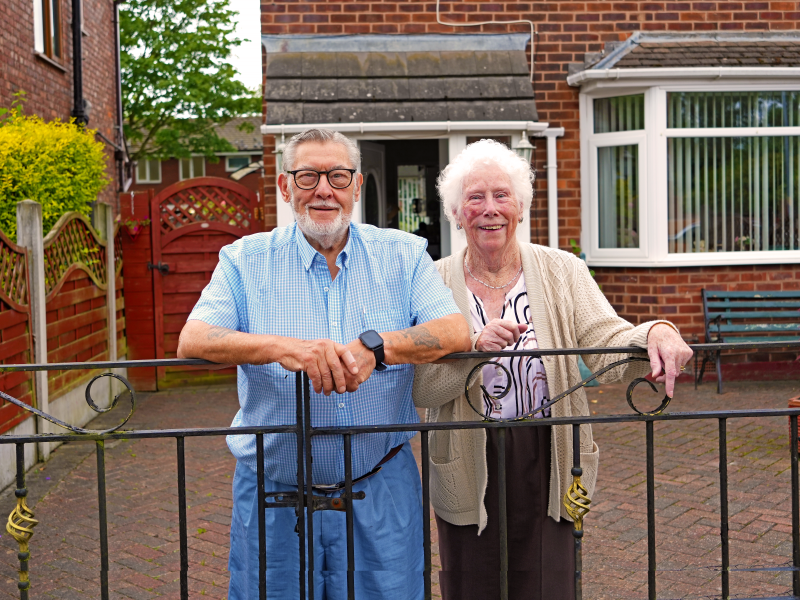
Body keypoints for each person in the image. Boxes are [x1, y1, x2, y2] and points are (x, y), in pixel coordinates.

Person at [177, 128, 470, 600]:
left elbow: (456, 331)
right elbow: (193, 339)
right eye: (308, 176)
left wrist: (376, 347)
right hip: (275, 493)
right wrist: (282, 349)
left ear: (356, 186)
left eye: (337, 176)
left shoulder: (404, 254)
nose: (323, 190)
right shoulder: (244, 260)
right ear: (284, 186)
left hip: (380, 483)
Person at [412, 139, 693, 600]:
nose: (490, 209)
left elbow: (605, 341)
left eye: (502, 195)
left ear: (520, 206)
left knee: (547, 583)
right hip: (465, 451)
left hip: (550, 449)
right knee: (472, 583)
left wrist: (655, 332)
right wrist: (473, 350)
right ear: (457, 212)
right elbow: (422, 386)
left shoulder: (562, 269)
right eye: (475, 198)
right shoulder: (433, 279)